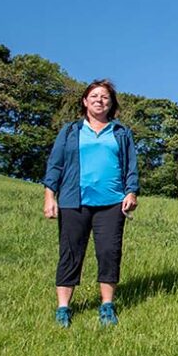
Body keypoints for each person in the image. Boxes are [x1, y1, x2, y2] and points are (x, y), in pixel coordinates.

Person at [42, 79, 139, 328]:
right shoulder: (71, 130)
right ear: (85, 101)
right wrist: (49, 196)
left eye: (105, 97)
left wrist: (131, 192)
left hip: (111, 203)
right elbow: (55, 165)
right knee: (70, 252)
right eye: (94, 96)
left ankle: (107, 305)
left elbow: (131, 167)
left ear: (111, 103)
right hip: (74, 201)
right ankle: (63, 308)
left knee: (109, 253)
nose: (99, 100)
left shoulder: (121, 133)